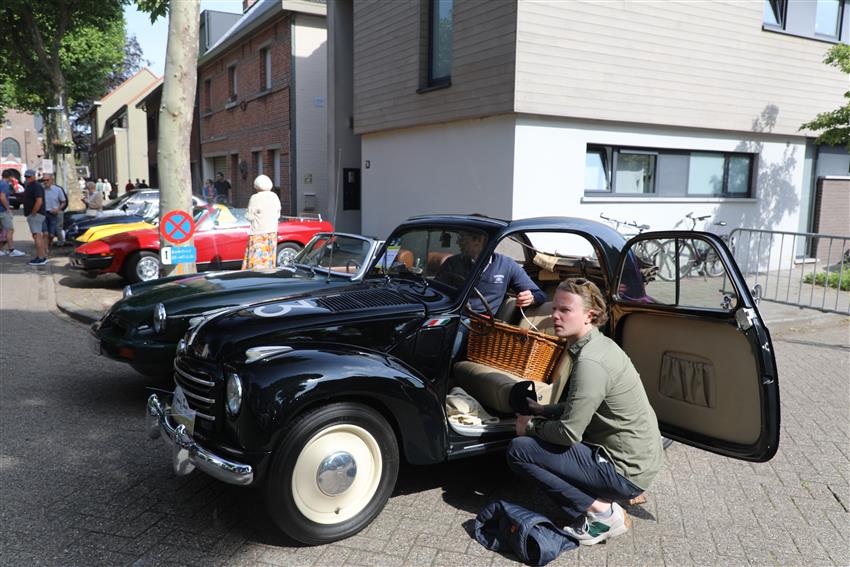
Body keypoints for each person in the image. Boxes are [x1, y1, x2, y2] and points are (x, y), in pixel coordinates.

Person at [507, 278, 663, 546]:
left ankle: (602, 513)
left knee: (520, 450)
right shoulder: (599, 345)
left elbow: (569, 433)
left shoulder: (590, 362)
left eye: (565, 310)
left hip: (625, 472)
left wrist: (530, 426)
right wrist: (544, 409)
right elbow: (583, 404)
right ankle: (602, 497)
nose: (555, 315)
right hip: (638, 462)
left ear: (589, 315)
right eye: (554, 308)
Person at [437, 230, 546, 314]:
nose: (457, 242)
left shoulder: (507, 265)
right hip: (453, 316)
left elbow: (540, 295)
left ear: (478, 240)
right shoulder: (452, 263)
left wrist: (531, 298)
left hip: (484, 326)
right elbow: (436, 293)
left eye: (462, 238)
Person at [242, 174, 280, 270]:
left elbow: (249, 216)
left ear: (257, 186)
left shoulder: (255, 198)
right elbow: (278, 214)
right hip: (272, 232)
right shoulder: (274, 196)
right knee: (269, 259)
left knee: (257, 260)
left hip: (258, 233)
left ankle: (256, 276)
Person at [22, 169, 48, 265]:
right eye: (26, 176)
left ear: (34, 176)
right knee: (37, 235)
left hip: (36, 214)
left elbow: (39, 201)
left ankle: (40, 258)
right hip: (35, 214)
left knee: (37, 235)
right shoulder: (31, 186)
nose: (27, 178)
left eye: (29, 176)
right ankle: (42, 256)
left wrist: (33, 212)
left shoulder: (36, 186)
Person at [0, 170, 26, 257]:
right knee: (10, 230)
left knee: (2, 230)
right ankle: (11, 250)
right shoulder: (5, 184)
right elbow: (2, 197)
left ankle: (1, 249)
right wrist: (8, 208)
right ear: (10, 177)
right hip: (3, 211)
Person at [41, 174, 66, 250]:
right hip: (44, 213)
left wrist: (57, 209)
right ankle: (46, 248)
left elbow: (63, 201)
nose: (45, 182)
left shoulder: (58, 189)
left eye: (47, 180)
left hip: (54, 213)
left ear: (51, 180)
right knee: (45, 232)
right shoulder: (41, 189)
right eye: (44, 180)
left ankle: (53, 242)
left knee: (52, 233)